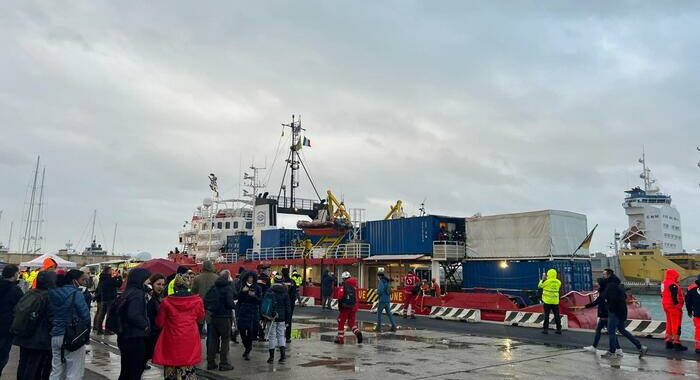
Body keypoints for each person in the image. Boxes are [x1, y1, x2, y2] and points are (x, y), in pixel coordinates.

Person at [153, 274, 205, 380]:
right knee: (188, 365)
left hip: (171, 339)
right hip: (190, 338)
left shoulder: (166, 302)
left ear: (175, 287)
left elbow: (159, 323)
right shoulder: (197, 301)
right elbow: (200, 318)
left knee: (171, 367)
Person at [49, 269, 91, 380]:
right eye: (82, 280)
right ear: (74, 281)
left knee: (56, 370)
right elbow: (86, 316)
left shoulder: (53, 293)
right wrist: (86, 336)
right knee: (74, 372)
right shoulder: (77, 294)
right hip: (72, 335)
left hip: (56, 334)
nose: (83, 283)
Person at [14, 271, 56, 380]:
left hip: (24, 333)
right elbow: (52, 317)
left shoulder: (30, 293)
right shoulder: (47, 296)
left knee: (23, 362)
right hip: (39, 338)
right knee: (33, 365)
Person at [601, 271, 647, 359]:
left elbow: (611, 299)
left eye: (604, 274)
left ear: (608, 275)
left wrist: (608, 305)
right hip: (622, 311)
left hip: (614, 311)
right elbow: (624, 297)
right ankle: (640, 347)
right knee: (622, 330)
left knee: (611, 331)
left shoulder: (611, 286)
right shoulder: (619, 285)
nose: (603, 276)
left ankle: (612, 351)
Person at [117, 268, 151, 380]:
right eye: (147, 279)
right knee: (134, 370)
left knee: (126, 370)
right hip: (135, 336)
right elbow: (133, 315)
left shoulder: (128, 291)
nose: (149, 281)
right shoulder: (137, 293)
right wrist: (145, 325)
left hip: (125, 335)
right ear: (140, 279)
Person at [206, 270, 235, 371]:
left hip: (213, 317)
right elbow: (230, 303)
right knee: (225, 340)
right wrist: (234, 305)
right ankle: (224, 363)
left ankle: (211, 363)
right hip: (224, 317)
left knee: (213, 340)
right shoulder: (228, 288)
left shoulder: (213, 287)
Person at [583, 276, 620, 352]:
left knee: (609, 332)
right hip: (605, 315)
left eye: (598, 284)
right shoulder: (604, 292)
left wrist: (585, 306)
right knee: (607, 331)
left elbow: (597, 302)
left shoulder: (603, 293)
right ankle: (618, 349)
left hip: (604, 316)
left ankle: (596, 347)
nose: (596, 285)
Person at [0, 264, 23, 378]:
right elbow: (21, 308)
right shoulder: (15, 290)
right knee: (2, 355)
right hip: (6, 327)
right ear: (14, 275)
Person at [266, 273, 290, 364]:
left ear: (274, 281)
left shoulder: (269, 291)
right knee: (281, 336)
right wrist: (287, 320)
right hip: (282, 317)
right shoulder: (285, 293)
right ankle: (283, 357)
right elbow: (288, 308)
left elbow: (265, 304)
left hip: (271, 317)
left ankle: (271, 358)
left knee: (272, 336)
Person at [237, 271, 261, 360]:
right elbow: (238, 298)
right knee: (242, 330)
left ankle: (248, 349)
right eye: (249, 278)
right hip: (243, 310)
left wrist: (254, 296)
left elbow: (259, 300)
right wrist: (243, 292)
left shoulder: (257, 288)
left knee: (250, 331)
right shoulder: (243, 287)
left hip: (253, 311)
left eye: (252, 278)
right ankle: (246, 345)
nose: (250, 279)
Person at [191, 260, 219, 340]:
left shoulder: (197, 278)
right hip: (212, 307)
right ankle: (210, 350)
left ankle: (197, 348)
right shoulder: (216, 278)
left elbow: (193, 293)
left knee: (198, 330)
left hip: (199, 306)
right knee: (211, 331)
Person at [662, 269, 688, 350]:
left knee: (669, 323)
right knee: (676, 324)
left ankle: (668, 341)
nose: (677, 278)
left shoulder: (664, 283)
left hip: (666, 306)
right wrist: (677, 303)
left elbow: (662, 295)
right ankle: (677, 343)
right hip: (674, 307)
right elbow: (674, 295)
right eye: (676, 277)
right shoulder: (672, 284)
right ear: (673, 276)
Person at [144, 273, 165, 370]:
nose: (161, 287)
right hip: (149, 334)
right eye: (158, 284)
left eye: (163, 284)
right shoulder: (148, 297)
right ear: (152, 284)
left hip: (156, 333)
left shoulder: (160, 298)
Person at [335, 272, 362, 345]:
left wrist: (340, 306)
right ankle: (357, 332)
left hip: (346, 307)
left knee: (341, 322)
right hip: (354, 306)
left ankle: (341, 340)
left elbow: (340, 296)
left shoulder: (344, 286)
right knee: (351, 323)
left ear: (343, 278)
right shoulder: (355, 286)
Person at [95, 266, 122, 335]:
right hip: (111, 298)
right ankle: (107, 330)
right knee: (109, 315)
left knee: (102, 314)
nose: (112, 271)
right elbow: (118, 285)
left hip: (104, 298)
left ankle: (99, 329)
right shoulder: (110, 278)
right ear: (107, 271)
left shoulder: (102, 277)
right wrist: (119, 277)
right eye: (111, 270)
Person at [538, 269, 562, 334]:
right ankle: (559, 329)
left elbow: (540, 286)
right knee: (557, 315)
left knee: (547, 315)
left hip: (547, 301)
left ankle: (545, 329)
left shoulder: (547, 282)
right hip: (555, 301)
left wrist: (542, 279)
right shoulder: (558, 282)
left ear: (548, 274)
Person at [376, 268, 397, 332]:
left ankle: (378, 328)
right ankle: (393, 326)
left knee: (379, 314)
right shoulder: (387, 282)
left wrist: (376, 292)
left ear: (379, 276)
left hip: (382, 300)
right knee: (389, 314)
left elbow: (380, 291)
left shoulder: (381, 282)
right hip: (387, 300)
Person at [281, 268, 298, 343]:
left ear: (282, 273)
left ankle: (280, 336)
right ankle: (288, 337)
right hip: (290, 304)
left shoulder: (281, 282)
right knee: (289, 320)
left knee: (280, 320)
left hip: (281, 304)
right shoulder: (292, 281)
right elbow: (294, 294)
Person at [685, 274, 700, 354]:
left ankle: (698, 347)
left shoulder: (691, 289)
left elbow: (688, 301)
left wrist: (689, 311)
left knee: (698, 329)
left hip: (697, 313)